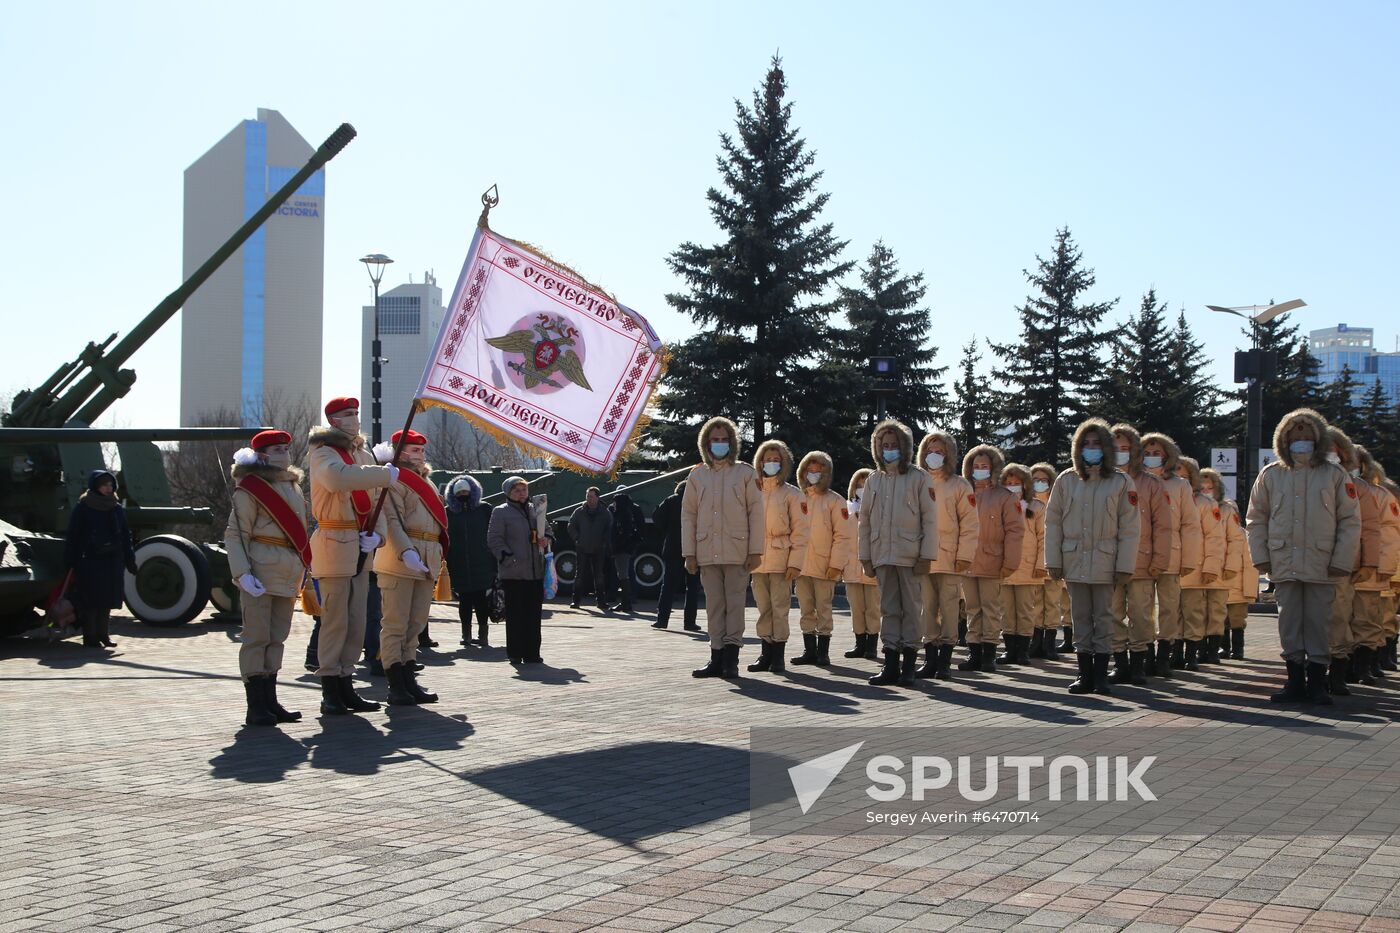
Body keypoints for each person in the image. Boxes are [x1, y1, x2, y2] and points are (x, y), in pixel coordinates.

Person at [1246, 407, 1361, 705]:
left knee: (1319, 623)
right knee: (1289, 622)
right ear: (1282, 438)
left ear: (1319, 437)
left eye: (1307, 433)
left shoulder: (1335, 474)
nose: (1301, 438)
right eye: (1294, 433)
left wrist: (1341, 559)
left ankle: (1318, 684)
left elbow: (1350, 520)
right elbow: (1256, 518)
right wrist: (1261, 557)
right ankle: (1295, 681)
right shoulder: (1271, 475)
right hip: (1284, 562)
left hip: (1322, 563)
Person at [307, 397, 397, 716]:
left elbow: (377, 503)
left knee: (356, 621)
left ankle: (347, 682)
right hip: (334, 539)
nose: (354, 419)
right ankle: (330, 687)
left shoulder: (361, 452)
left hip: (360, 542)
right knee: (335, 621)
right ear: (333, 420)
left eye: (356, 413)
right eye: (347, 415)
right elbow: (338, 478)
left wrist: (379, 534)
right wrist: (383, 474)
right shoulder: (323, 452)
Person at [1045, 418, 1140, 695]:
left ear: (1107, 447)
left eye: (1097, 443)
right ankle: (1083, 674)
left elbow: (1130, 528)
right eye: (1085, 443)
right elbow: (1053, 524)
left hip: (1105, 561)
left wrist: (1124, 566)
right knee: (1080, 618)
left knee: (1105, 618)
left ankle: (1100, 676)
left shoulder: (1121, 482)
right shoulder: (1066, 480)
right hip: (1074, 560)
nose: (1091, 448)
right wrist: (1053, 561)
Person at [224, 429, 310, 726]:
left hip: (288, 568)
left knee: (277, 638)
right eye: (276, 449)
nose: (283, 453)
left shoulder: (293, 486)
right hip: (260, 569)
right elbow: (235, 534)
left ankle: (271, 702)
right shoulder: (251, 487)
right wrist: (242, 573)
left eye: (286, 447)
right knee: (256, 638)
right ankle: (256, 706)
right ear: (261, 455)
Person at [683, 416, 764, 680]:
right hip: (707, 551)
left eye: (724, 440)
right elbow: (688, 515)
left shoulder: (745, 473)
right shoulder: (698, 476)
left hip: (738, 551)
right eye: (714, 440)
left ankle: (731, 659)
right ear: (705, 444)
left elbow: (756, 513)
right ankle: (715, 656)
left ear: (732, 442)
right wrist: (689, 553)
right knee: (714, 606)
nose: (719, 444)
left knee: (735, 605)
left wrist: (755, 551)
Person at [859, 419, 938, 687]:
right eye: (884, 445)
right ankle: (890, 663)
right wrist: (865, 556)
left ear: (904, 447)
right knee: (888, 609)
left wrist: (927, 555)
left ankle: (909, 664)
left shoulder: (919, 477)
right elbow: (865, 521)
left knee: (912, 610)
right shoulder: (874, 480)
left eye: (894, 445)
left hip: (910, 555)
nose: (889, 450)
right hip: (882, 555)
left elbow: (929, 519)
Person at [372, 429, 446, 706]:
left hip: (427, 556)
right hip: (400, 558)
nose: (420, 455)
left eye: (421, 450)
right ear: (399, 451)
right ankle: (396, 683)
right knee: (395, 624)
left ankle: (409, 678)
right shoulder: (393, 480)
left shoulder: (427, 482)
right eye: (414, 450)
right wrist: (407, 551)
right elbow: (392, 521)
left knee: (415, 624)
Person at [1108, 424, 1171, 685]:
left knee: (1141, 614)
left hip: (1141, 562)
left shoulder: (1151, 483)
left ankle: (1138, 663)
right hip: (1109, 561)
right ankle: (1119, 662)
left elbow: (1163, 525)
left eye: (1125, 449)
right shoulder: (1103, 481)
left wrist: (1159, 560)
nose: (1120, 453)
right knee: (1111, 613)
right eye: (1115, 449)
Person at [916, 430, 978, 679]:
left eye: (939, 451)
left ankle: (945, 662)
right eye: (930, 451)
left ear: (949, 454)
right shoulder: (918, 481)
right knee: (927, 609)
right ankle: (929, 658)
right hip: (923, 557)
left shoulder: (960, 484)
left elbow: (970, 524)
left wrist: (964, 555)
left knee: (949, 608)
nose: (934, 456)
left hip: (950, 559)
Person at [958, 444, 1024, 673]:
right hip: (967, 562)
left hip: (992, 562)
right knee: (972, 609)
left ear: (993, 467)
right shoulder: (964, 493)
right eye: (975, 466)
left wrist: (1010, 563)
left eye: (984, 466)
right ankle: (973, 652)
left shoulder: (1004, 496)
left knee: (990, 609)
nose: (980, 470)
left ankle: (989, 655)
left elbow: (1015, 531)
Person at [1142, 432, 1203, 676]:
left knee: (1169, 608)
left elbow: (1190, 524)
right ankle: (1143, 653)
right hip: (1142, 556)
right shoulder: (1134, 481)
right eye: (1146, 453)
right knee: (1142, 608)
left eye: (1157, 454)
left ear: (1167, 456)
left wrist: (1189, 560)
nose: (1152, 458)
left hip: (1172, 555)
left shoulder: (1180, 485)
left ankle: (1164, 655)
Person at [790, 451, 852, 671]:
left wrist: (836, 564)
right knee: (806, 607)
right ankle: (809, 650)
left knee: (824, 608)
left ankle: (823, 652)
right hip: (801, 565)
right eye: (810, 470)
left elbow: (843, 535)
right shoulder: (798, 498)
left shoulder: (835, 501)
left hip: (825, 565)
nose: (814, 474)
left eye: (819, 471)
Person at [748, 439, 806, 673]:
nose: (771, 463)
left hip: (782, 559)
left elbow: (802, 532)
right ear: (760, 461)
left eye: (776, 460)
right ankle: (765, 653)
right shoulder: (753, 490)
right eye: (767, 459)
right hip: (759, 558)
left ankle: (778, 656)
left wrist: (795, 563)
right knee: (764, 608)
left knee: (779, 607)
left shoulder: (792, 494)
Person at [64, 469, 137, 650]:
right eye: (104, 485)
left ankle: (103, 634)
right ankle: (90, 637)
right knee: (91, 602)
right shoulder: (84, 506)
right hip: (90, 560)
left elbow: (125, 534)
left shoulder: (115, 507)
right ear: (95, 486)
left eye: (111, 485)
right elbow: (73, 534)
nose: (108, 488)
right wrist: (71, 559)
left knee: (106, 601)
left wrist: (129, 558)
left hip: (112, 560)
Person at [487, 476, 552, 665]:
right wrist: (509, 559)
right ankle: (515, 653)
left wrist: (546, 539)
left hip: (535, 572)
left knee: (533, 615)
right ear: (509, 493)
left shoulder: (536, 510)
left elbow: (548, 530)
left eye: (524, 490)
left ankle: (532, 653)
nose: (522, 494)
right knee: (515, 615)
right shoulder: (501, 512)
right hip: (514, 574)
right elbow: (494, 539)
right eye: (517, 490)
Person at [1351, 445, 1400, 684]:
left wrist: (1383, 569)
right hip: (1340, 571)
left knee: (1369, 621)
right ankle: (1343, 669)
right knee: (1340, 623)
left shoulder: (1380, 495)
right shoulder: (1331, 488)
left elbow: (1390, 536)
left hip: (1370, 573)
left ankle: (1364, 667)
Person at [1176, 455, 1224, 672]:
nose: (1181, 480)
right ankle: (1174, 652)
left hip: (1194, 569)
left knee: (1193, 612)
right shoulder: (1166, 497)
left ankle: (1191, 654)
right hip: (1170, 568)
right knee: (1170, 613)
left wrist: (1211, 567)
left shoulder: (1206, 504)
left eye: (1185, 477)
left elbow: (1215, 537)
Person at [999, 463, 1046, 667]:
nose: (1012, 486)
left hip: (1028, 567)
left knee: (1025, 610)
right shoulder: (1000, 505)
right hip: (1005, 567)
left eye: (1016, 483)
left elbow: (1044, 538)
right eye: (1008, 483)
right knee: (1007, 609)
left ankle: (1023, 651)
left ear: (1025, 485)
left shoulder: (1037, 507)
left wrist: (1040, 564)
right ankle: (1010, 649)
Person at [445, 474, 495, 648]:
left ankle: (483, 634)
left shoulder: (484, 509)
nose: (463, 494)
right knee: (464, 601)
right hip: (458, 564)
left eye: (466, 491)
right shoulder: (449, 512)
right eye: (459, 492)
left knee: (481, 601)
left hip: (481, 562)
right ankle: (466, 634)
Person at [1030, 462, 1069, 659]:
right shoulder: (1027, 504)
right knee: (1036, 603)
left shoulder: (1058, 503)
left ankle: (1050, 642)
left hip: (1053, 560)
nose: (1039, 484)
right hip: (1033, 563)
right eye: (1035, 480)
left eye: (1043, 480)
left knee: (1052, 602)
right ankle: (1035, 641)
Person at [842, 469, 881, 659]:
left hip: (872, 568)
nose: (862, 488)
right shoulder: (847, 511)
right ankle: (860, 644)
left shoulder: (880, 511)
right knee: (856, 608)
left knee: (872, 608)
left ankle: (872, 645)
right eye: (859, 485)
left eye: (866, 485)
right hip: (850, 568)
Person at [1197, 467, 1234, 665]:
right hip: (1197, 570)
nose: (1206, 491)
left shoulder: (1227, 510)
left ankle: (1214, 649)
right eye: (1202, 488)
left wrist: (1231, 567)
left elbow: (1235, 541)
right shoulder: (1194, 506)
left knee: (1217, 611)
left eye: (1210, 488)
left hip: (1220, 570)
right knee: (1198, 610)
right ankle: (1199, 649)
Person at [652, 480, 700, 631]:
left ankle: (662, 620)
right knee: (692, 587)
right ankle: (689, 622)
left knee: (668, 585)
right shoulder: (697, 502)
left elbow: (657, 518)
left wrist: (667, 531)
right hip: (693, 549)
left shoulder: (670, 500)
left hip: (672, 547)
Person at [1218, 478, 1257, 662]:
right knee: (1221, 620)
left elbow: (1250, 567)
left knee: (1237, 621)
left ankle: (1238, 649)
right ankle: (1224, 648)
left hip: (1239, 590)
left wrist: (1249, 591)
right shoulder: (1219, 538)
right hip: (1223, 586)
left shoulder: (1244, 536)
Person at [568, 486, 613, 612]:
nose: (589, 499)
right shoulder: (579, 511)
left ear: (598, 497)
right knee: (579, 575)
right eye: (587, 496)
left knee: (599, 575)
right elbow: (571, 525)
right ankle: (576, 601)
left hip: (599, 548)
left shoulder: (605, 512)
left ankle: (601, 602)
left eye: (591, 496)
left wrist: (604, 542)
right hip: (582, 547)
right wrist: (577, 538)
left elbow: (609, 528)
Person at [608, 485, 646, 613]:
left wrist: (616, 545)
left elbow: (620, 532)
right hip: (627, 547)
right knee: (624, 574)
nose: (613, 504)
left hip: (622, 549)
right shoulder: (629, 511)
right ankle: (626, 601)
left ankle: (626, 603)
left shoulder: (622, 515)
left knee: (623, 575)